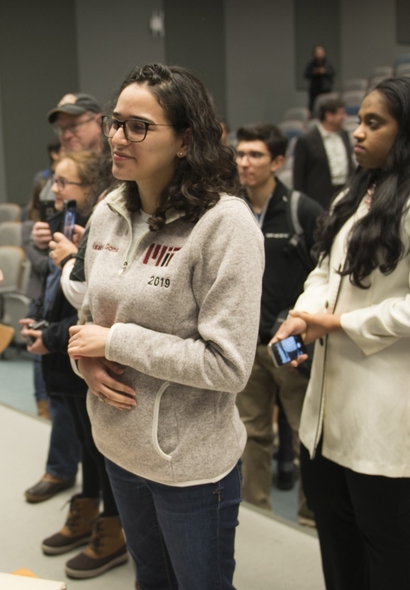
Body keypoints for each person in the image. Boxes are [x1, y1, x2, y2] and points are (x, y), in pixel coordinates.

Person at [68, 63, 265, 589]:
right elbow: (89, 314)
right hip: (118, 445)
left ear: (185, 141)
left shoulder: (225, 226)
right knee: (151, 580)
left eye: (138, 126)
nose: (116, 137)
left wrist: (115, 342)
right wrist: (85, 358)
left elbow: (229, 366)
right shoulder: (109, 210)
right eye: (115, 122)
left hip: (190, 469)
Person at [273, 77, 410, 590]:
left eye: (373, 123)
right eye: (359, 121)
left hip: (389, 400)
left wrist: (336, 324)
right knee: (332, 524)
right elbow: (324, 273)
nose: (356, 133)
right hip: (329, 395)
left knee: (381, 532)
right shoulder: (358, 194)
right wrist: (303, 316)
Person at [20, 150, 127, 580]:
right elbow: (53, 290)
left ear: (90, 190)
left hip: (85, 353)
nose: (55, 190)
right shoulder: (69, 229)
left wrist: (50, 335)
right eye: (54, 181)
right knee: (85, 447)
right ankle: (88, 510)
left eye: (64, 183)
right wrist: (41, 322)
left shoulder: (104, 231)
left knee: (103, 453)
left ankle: (113, 528)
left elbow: (97, 306)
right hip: (67, 358)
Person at [234, 123, 323, 524]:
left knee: (306, 433)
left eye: (255, 155)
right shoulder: (229, 211)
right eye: (240, 154)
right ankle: (257, 512)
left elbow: (327, 273)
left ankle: (310, 517)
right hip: (244, 344)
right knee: (251, 434)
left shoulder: (301, 210)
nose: (244, 162)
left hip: (289, 342)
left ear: (278, 162)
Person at [23, 92, 105, 504]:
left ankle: (103, 513)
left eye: (76, 125)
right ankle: (66, 477)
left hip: (92, 316)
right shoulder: (53, 174)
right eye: (62, 128)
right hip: (60, 300)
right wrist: (41, 240)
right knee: (65, 401)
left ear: (99, 122)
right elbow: (35, 232)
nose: (68, 133)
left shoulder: (118, 179)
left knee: (99, 436)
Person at [293, 97, 354, 210]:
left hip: (345, 193)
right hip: (319, 199)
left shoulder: (344, 135)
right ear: (329, 116)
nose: (344, 117)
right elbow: (299, 178)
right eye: (341, 114)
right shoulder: (306, 140)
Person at [304, 45, 335, 113]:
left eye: (320, 52)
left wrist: (324, 71)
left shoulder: (328, 63)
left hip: (326, 89)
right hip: (314, 89)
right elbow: (306, 74)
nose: (319, 54)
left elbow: (333, 72)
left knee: (327, 107)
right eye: (317, 52)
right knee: (313, 107)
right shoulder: (311, 64)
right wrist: (314, 72)